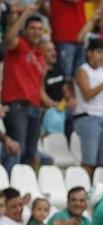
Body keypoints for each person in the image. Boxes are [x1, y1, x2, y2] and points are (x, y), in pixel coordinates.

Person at [1, 8, 46, 172]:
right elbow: (9, 38)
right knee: (16, 150)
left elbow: (39, 87)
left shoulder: (41, 54)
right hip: (17, 105)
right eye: (33, 28)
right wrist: (25, 14)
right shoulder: (18, 45)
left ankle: (24, 186)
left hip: (34, 108)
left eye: (40, 29)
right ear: (25, 30)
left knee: (30, 153)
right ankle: (10, 192)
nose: (37, 32)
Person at [74, 38, 103, 176]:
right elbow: (87, 94)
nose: (102, 56)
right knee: (89, 161)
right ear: (90, 53)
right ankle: (85, 191)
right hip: (87, 117)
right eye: (99, 52)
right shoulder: (83, 71)